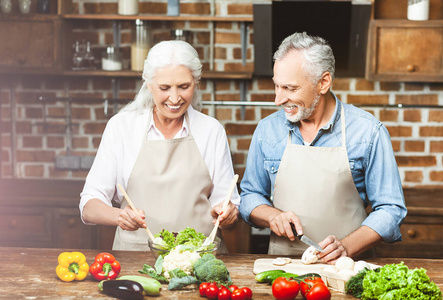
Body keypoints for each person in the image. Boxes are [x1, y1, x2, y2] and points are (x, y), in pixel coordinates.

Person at [239, 32, 407, 263]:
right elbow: (250, 195)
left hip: (348, 268)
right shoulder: (267, 131)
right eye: (277, 86)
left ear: (323, 82)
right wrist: (271, 216)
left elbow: (391, 209)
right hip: (283, 269)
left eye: (290, 88)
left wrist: (346, 247)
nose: (278, 100)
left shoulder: (368, 132)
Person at [80, 40, 240, 251]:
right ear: (149, 84)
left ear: (196, 82)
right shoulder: (121, 127)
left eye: (184, 87)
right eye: (164, 88)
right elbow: (89, 204)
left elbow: (229, 206)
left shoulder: (212, 130)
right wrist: (119, 216)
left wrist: (228, 214)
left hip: (198, 258)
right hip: (135, 258)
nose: (174, 98)